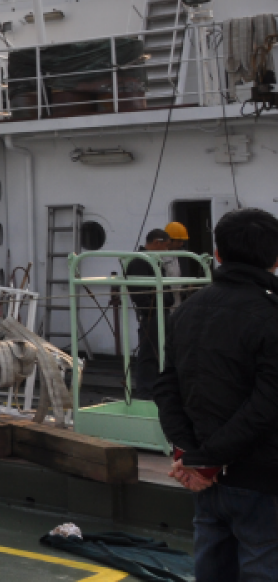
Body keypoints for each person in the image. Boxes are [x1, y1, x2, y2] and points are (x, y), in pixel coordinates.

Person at [154, 208, 278, 581]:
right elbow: (267, 404)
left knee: (212, 567)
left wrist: (191, 456)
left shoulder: (186, 311)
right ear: (275, 259)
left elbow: (166, 387)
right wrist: (205, 458)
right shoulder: (271, 314)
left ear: (218, 254)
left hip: (206, 478)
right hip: (261, 479)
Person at [125, 229, 171, 399]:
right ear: (157, 242)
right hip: (151, 315)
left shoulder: (152, 261)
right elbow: (139, 293)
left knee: (160, 352)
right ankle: (146, 392)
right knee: (149, 353)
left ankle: (155, 389)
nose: (166, 250)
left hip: (159, 312)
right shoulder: (139, 262)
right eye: (166, 246)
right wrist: (151, 308)